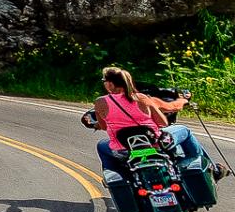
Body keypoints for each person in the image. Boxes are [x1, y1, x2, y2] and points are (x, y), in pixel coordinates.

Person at [89, 66, 222, 178]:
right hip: (154, 144)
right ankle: (208, 169)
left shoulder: (100, 102)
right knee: (184, 131)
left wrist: (97, 124)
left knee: (102, 146)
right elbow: (163, 122)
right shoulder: (142, 98)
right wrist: (183, 101)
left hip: (124, 149)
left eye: (104, 81)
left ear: (110, 84)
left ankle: (117, 178)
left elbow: (104, 126)